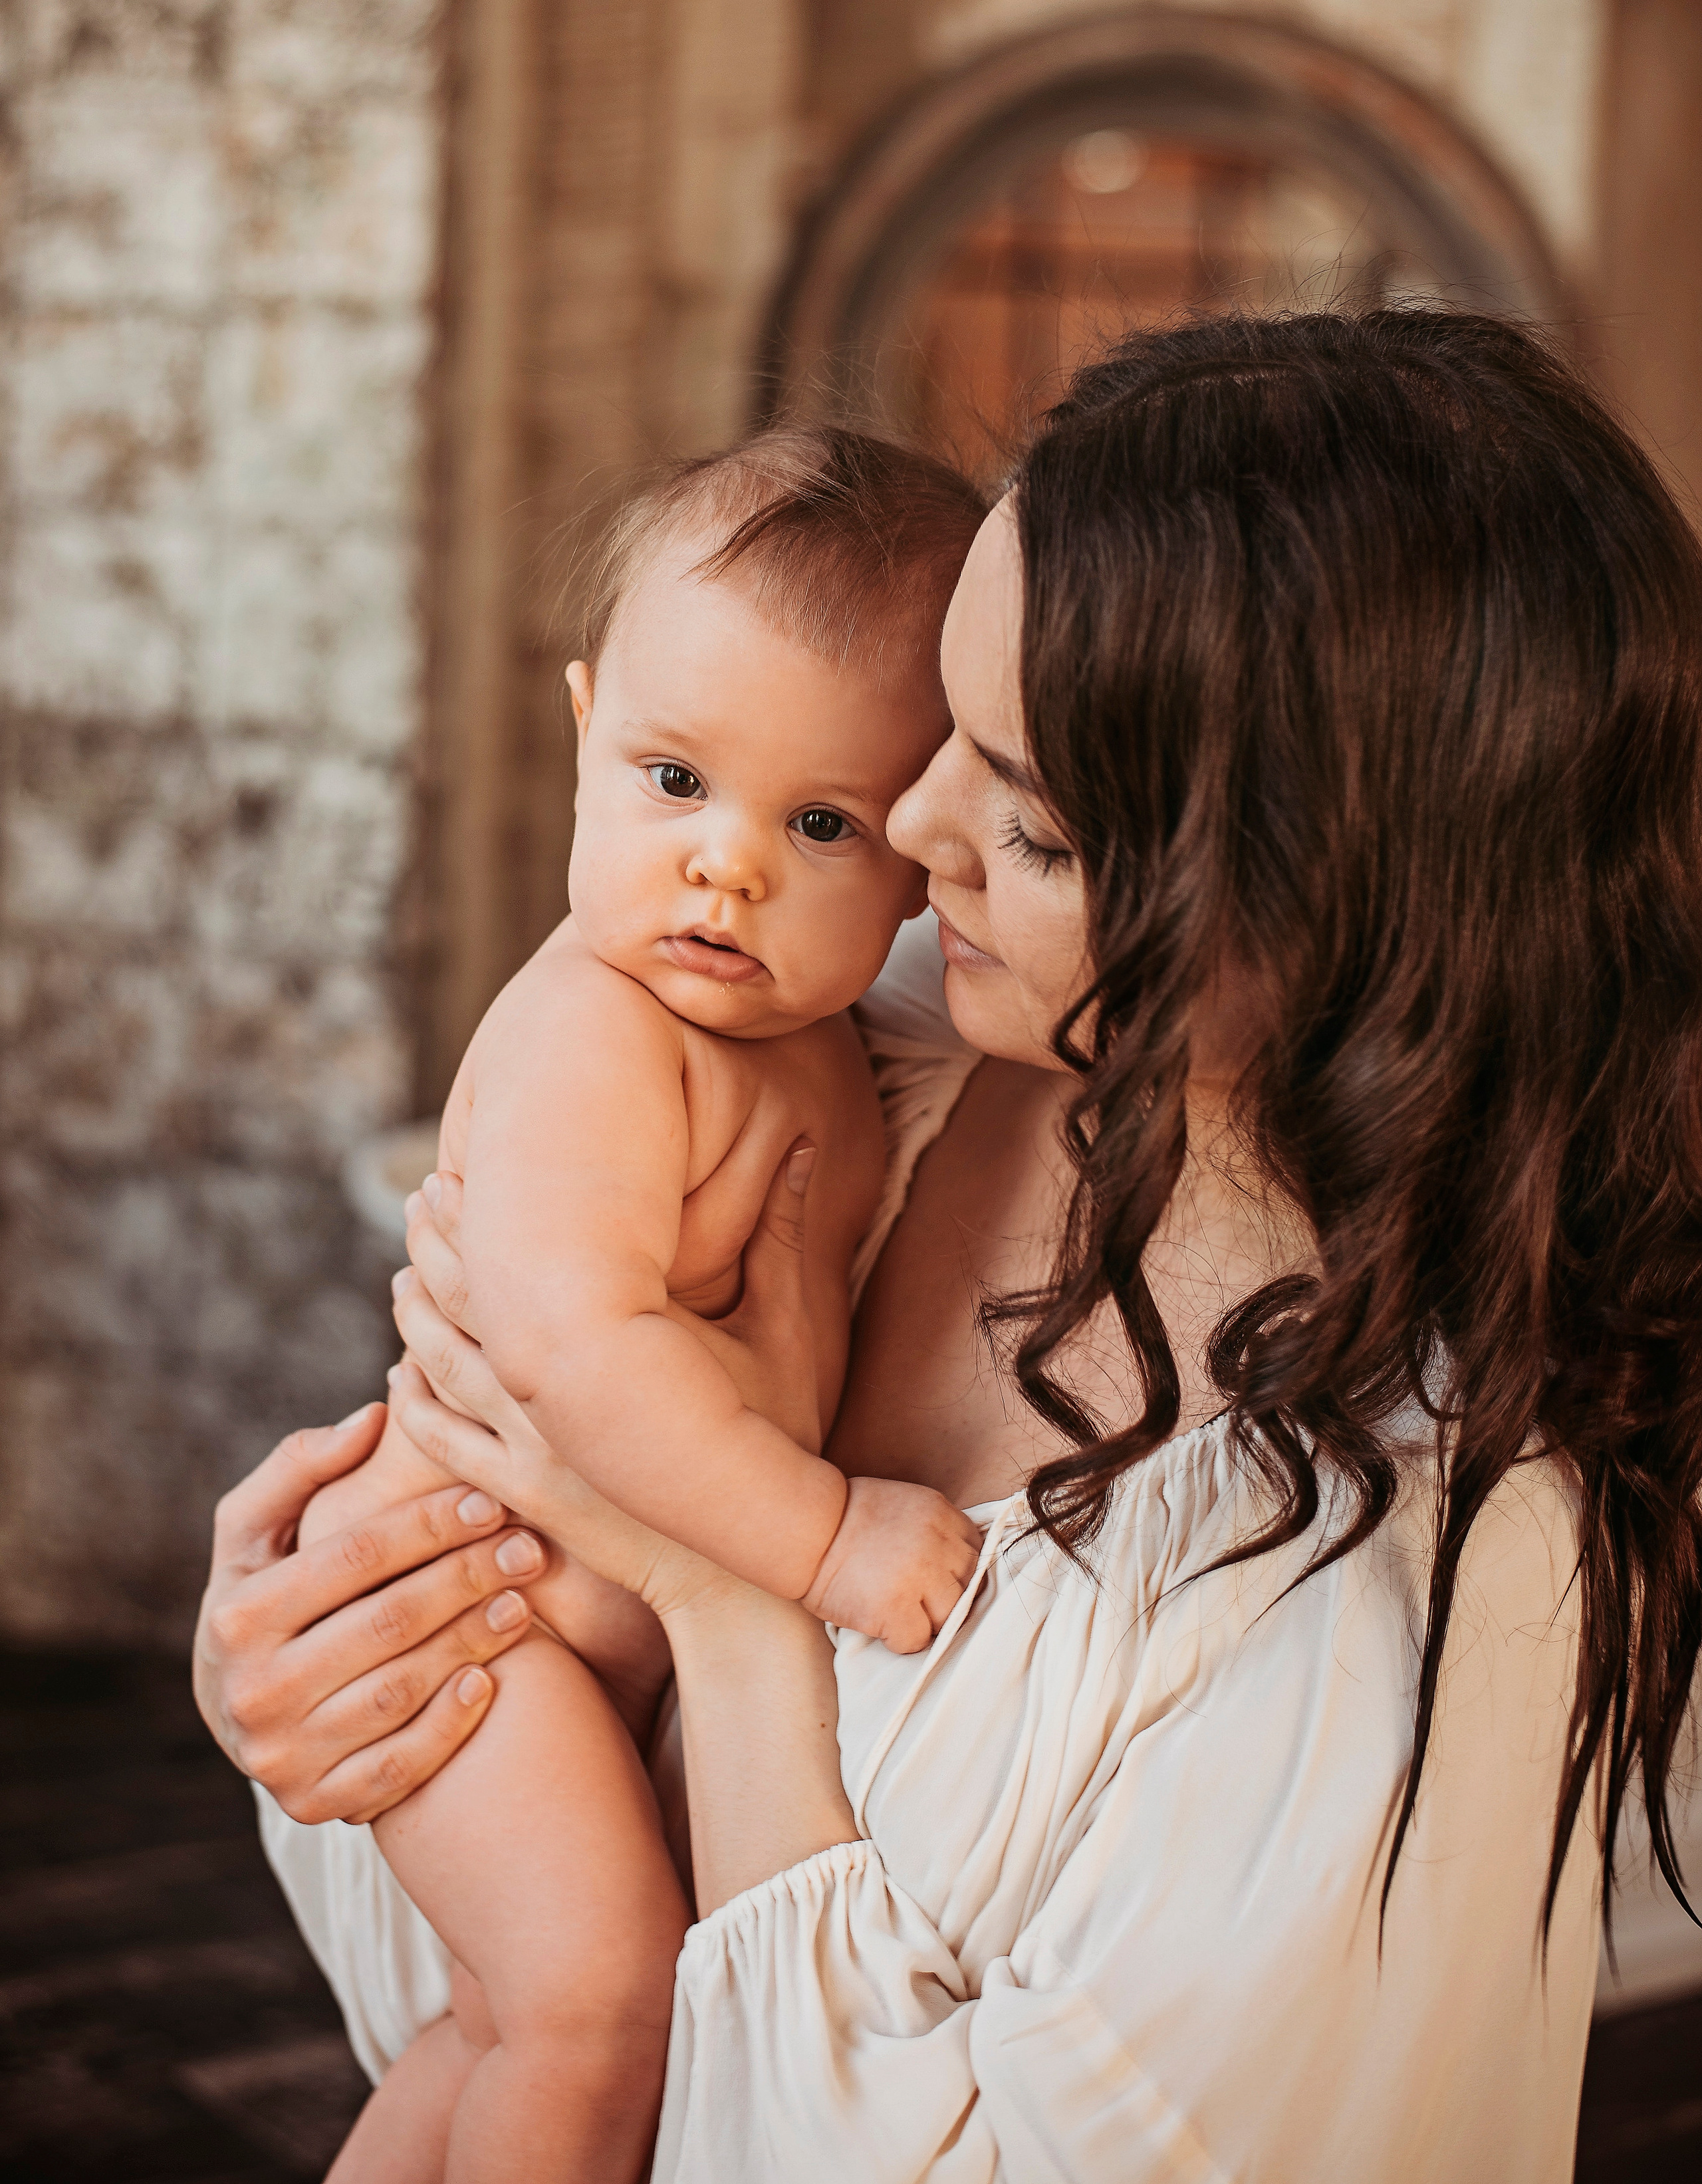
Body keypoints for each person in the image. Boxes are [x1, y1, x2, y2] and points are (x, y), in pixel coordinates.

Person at [196, 312, 1702, 2181]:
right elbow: (487, 1996)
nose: (910, 831)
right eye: (936, 740)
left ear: (1334, 910)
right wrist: (323, 1680)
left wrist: (737, 1615)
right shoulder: (870, 1047)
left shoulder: (1400, 1576)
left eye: (1032, 814)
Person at [296, 429, 989, 2181]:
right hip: (482, 1622)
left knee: (503, 2029)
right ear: (586, 718)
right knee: (598, 2011)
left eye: (817, 822)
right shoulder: (594, 1035)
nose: (727, 867)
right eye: (675, 778)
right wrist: (824, 1539)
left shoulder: (829, 1037)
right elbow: (570, 1349)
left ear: (917, 853)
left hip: (579, 1642)